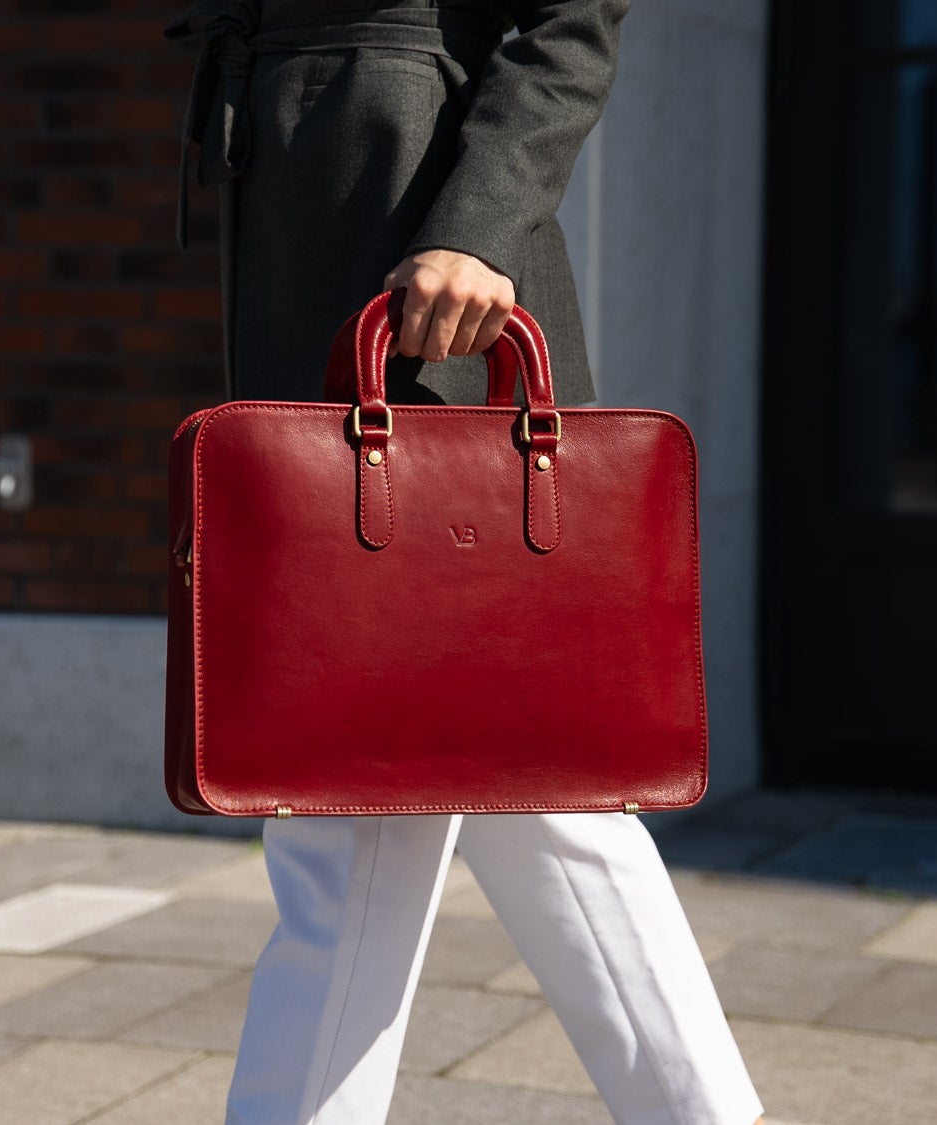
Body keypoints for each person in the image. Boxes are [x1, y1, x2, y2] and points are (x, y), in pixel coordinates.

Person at [164, 2, 768, 1122]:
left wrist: (478, 223)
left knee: (365, 781)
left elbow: (568, 14)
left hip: (419, 243)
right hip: (313, 208)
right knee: (518, 789)